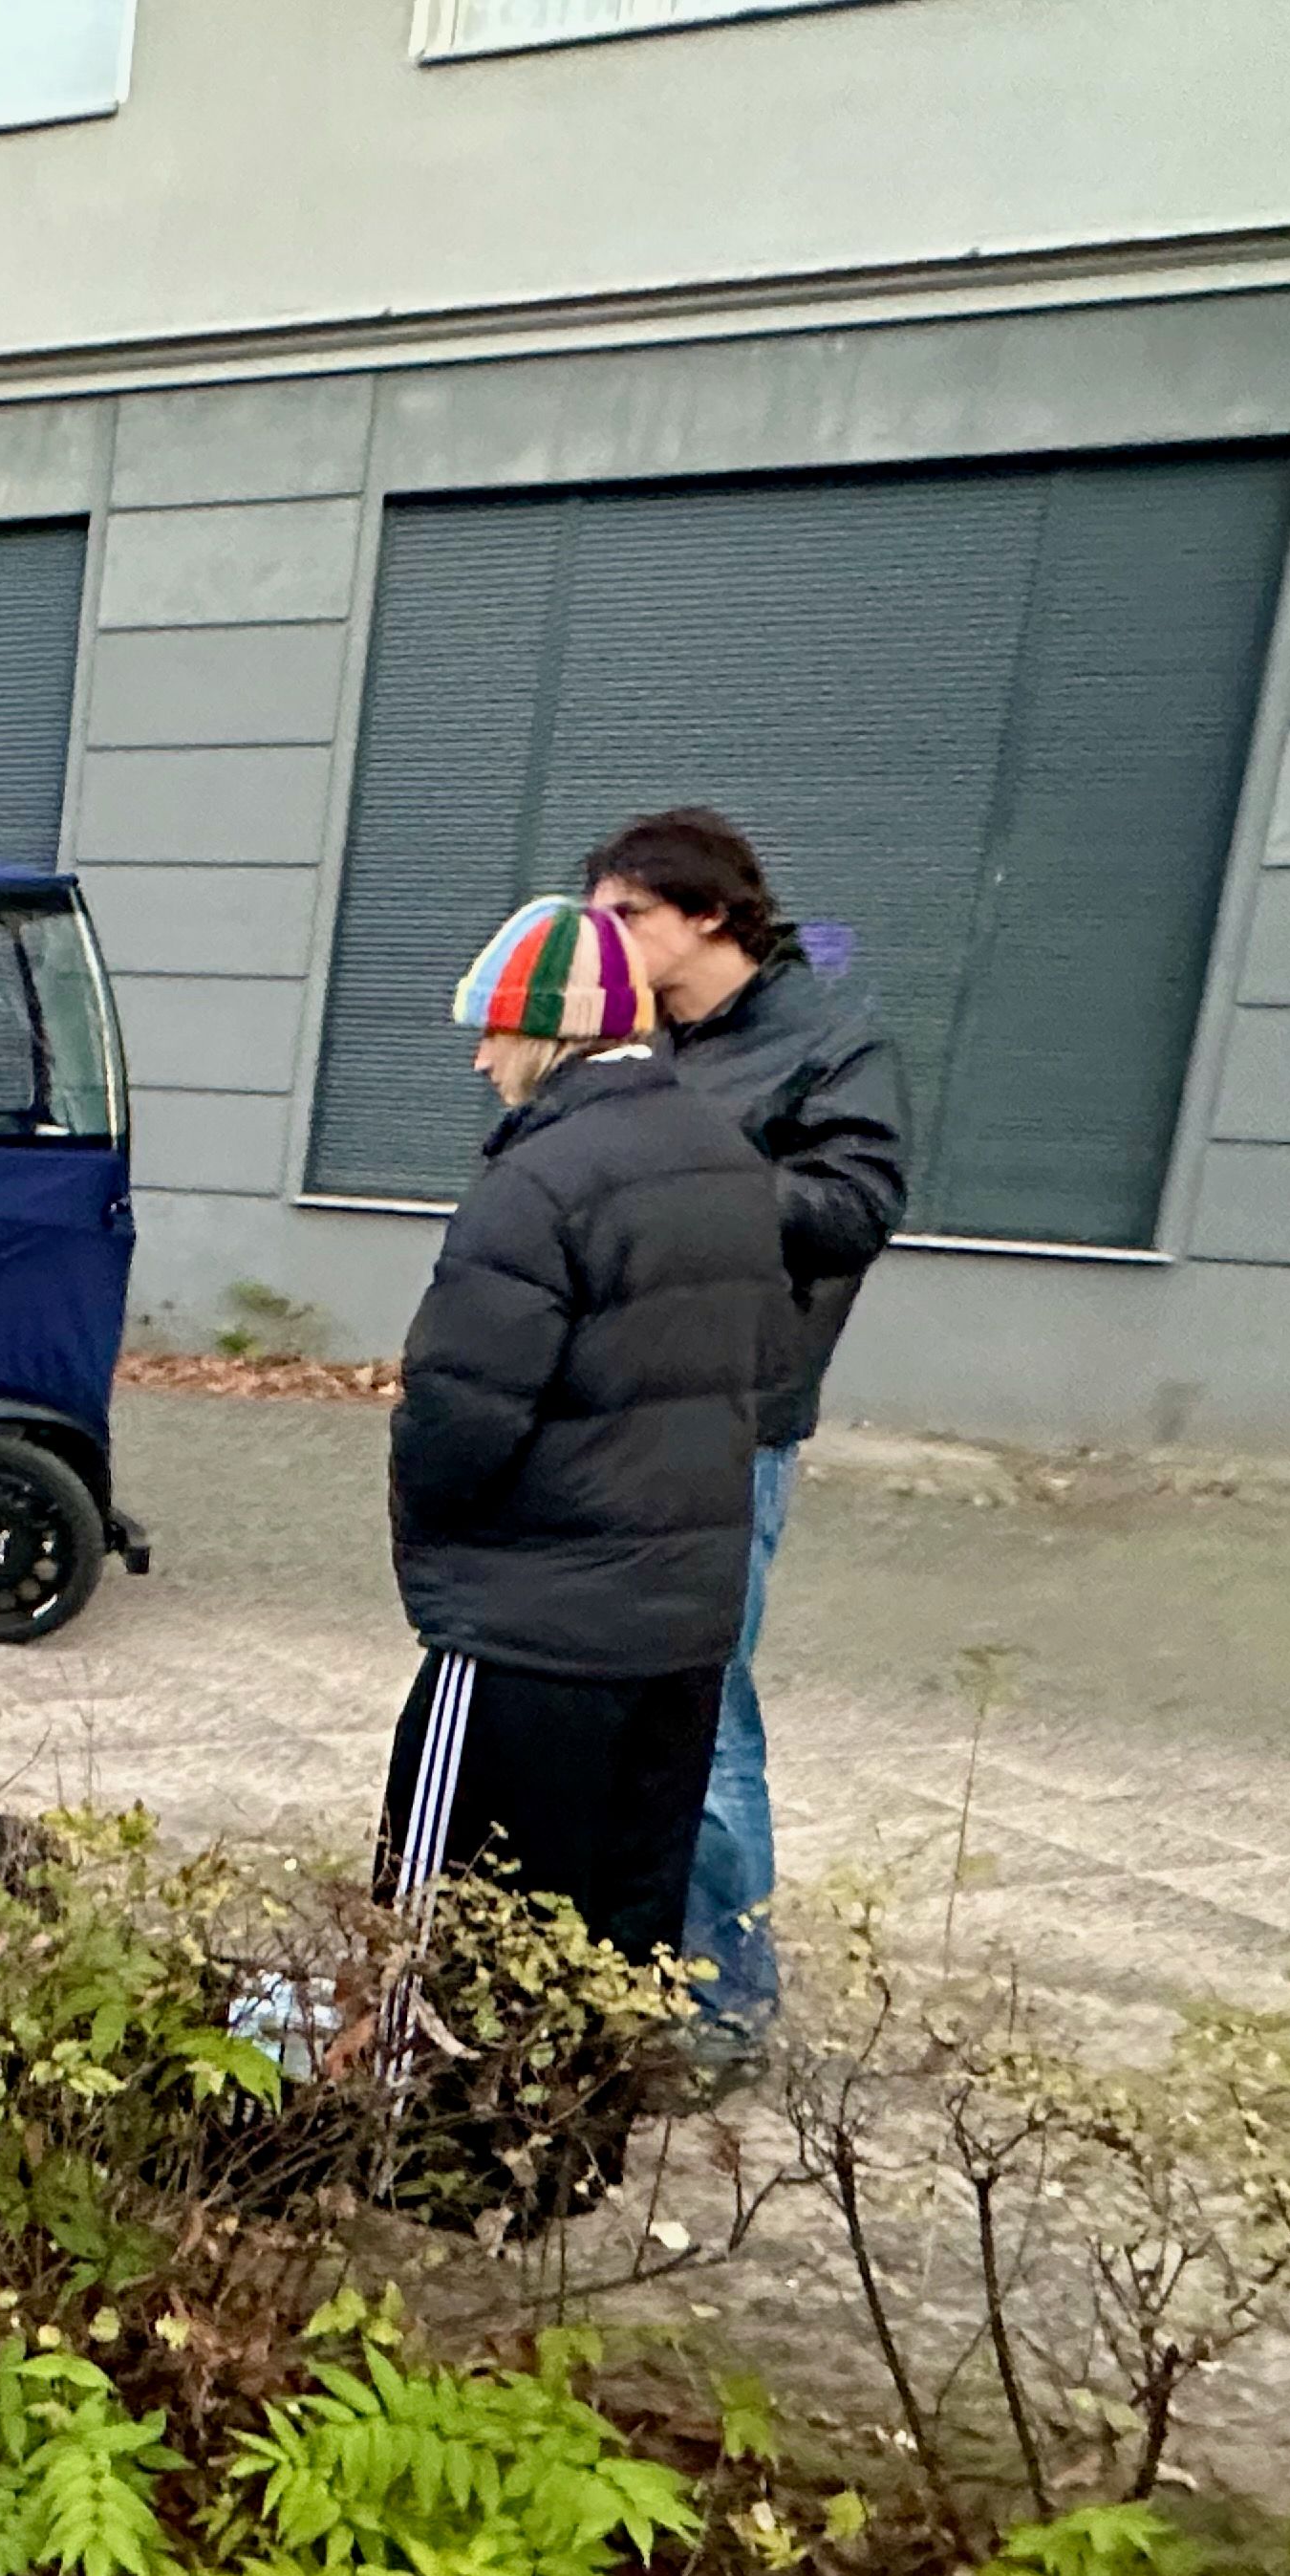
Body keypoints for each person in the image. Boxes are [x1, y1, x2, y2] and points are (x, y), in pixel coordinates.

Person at [377, 897, 785, 1978]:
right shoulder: (728, 1159)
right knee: (620, 1938)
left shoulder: (534, 1184)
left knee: (447, 1924)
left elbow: (458, 1415)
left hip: (534, 1631)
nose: (479, 1061)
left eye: (493, 1032)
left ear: (546, 1037)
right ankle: (581, 2147)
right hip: (680, 1631)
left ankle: (430, 2144)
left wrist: (438, 1546)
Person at [584, 810, 907, 2064]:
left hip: (730, 1425)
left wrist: (682, 1172)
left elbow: (854, 1208)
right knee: (612, 1712)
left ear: (708, 914)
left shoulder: (829, 1045)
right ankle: (623, 1961)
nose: (608, 945)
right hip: (618, 1411)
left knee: (704, 1720)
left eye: (627, 918)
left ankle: (724, 2007)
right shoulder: (648, 1046)